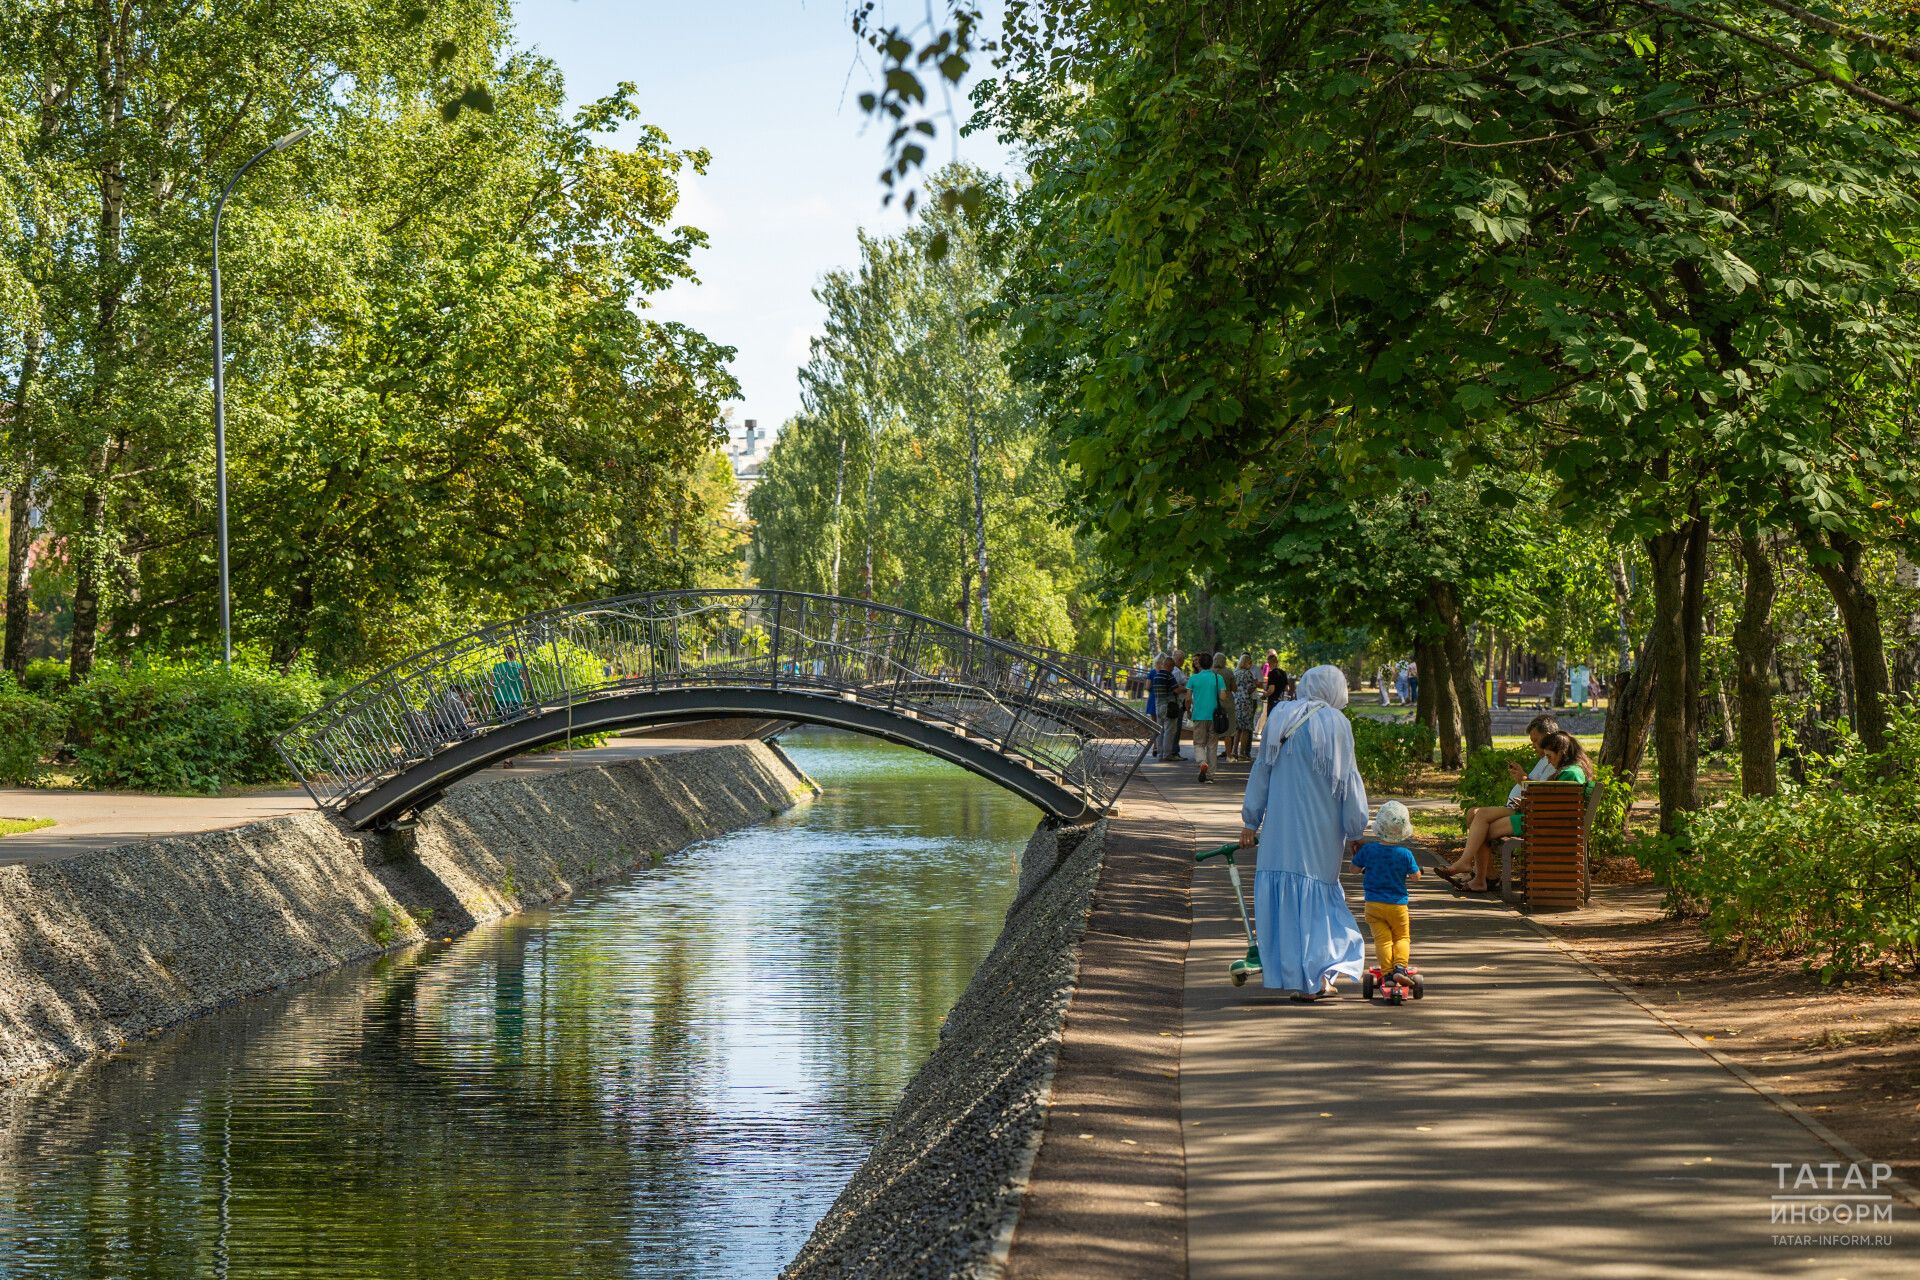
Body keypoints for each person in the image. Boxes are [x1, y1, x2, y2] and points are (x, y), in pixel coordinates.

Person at [1237, 665, 1370, 1002]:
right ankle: (1318, 978)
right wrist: (1356, 829)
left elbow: (1261, 770)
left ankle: (1296, 975)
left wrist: (1251, 821)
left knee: (1286, 894)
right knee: (1318, 894)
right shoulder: (1337, 724)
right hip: (1321, 829)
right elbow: (1348, 781)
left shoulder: (1281, 715)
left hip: (1280, 828)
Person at [1441, 730, 1594, 891]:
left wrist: (1529, 800)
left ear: (1562, 753)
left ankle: (1478, 874)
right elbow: (1554, 802)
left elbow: (1558, 807)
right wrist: (1528, 801)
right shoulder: (1572, 770)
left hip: (1539, 821)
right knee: (1480, 815)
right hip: (1537, 815)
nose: (1548, 761)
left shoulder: (1570, 773)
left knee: (1481, 828)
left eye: (1550, 756)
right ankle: (1474, 871)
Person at [1352, 801, 1421, 985]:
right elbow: (1416, 877)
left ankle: (1388, 974)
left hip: (1373, 904)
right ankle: (1400, 967)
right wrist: (1415, 871)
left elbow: (1353, 870)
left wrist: (1358, 857)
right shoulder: (1405, 854)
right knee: (1402, 937)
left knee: (1382, 940)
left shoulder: (1368, 850)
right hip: (1398, 905)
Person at [1188, 653, 1227, 783]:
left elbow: (1188, 698)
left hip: (1199, 715)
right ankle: (1210, 776)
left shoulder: (1193, 678)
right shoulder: (1218, 678)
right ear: (1211, 664)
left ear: (1199, 663)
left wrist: (1188, 710)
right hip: (1214, 716)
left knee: (1199, 743)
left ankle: (1202, 762)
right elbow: (1223, 697)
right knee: (1212, 745)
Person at [1149, 654, 1183, 760]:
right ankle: (1167, 754)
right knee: (1169, 731)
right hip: (1169, 706)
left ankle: (1160, 754)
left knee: (1160, 731)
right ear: (1170, 666)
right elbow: (1176, 690)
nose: (1173, 669)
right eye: (1172, 667)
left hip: (1158, 705)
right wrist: (1185, 689)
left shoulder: (1156, 676)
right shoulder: (1169, 675)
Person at [1231, 653, 1261, 761]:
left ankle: (1234, 751)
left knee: (1237, 728)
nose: (1251, 664)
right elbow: (1250, 688)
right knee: (1245, 729)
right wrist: (1255, 684)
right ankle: (1242, 753)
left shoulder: (1235, 672)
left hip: (1236, 701)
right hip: (1245, 703)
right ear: (1247, 662)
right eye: (1250, 662)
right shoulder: (1247, 673)